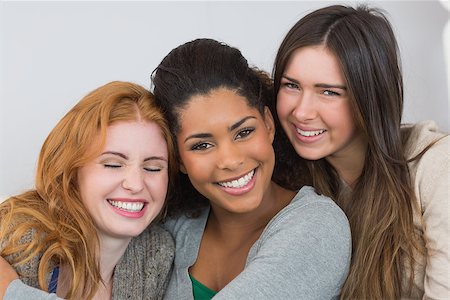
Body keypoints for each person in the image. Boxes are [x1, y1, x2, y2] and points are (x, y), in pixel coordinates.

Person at [271, 4, 450, 299]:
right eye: (291, 85)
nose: (301, 112)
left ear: (370, 96)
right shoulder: (291, 182)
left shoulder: (436, 167)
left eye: (329, 92)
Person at [152, 38, 351, 299]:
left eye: (244, 132)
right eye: (202, 145)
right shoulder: (175, 227)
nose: (231, 160)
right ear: (178, 159)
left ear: (268, 125)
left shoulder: (318, 226)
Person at [0, 81, 176, 299]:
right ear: (72, 169)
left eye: (153, 167)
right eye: (113, 164)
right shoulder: (19, 237)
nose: (136, 184)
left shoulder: (156, 253)